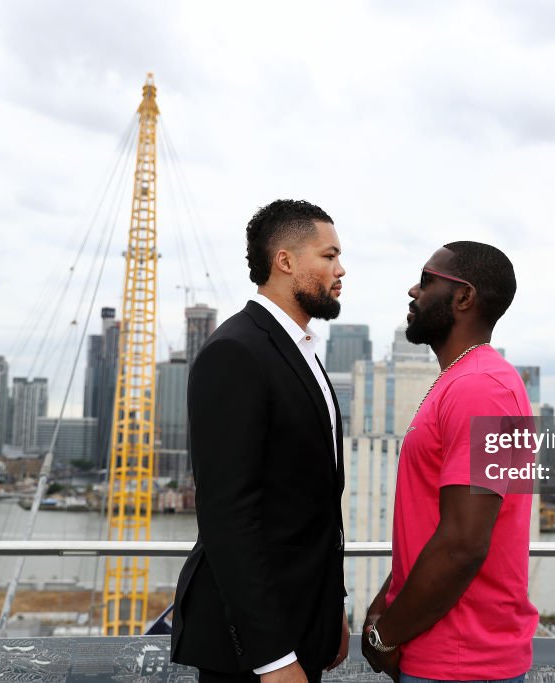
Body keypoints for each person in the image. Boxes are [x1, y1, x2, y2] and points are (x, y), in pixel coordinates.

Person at [171, 200, 349, 683]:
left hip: (305, 621)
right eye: (329, 256)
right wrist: (271, 657)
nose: (341, 270)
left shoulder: (302, 349)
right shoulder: (236, 351)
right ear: (285, 261)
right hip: (251, 650)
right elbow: (228, 516)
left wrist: (334, 607)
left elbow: (313, 502)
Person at [361, 241, 538, 683]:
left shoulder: (482, 388)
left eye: (426, 280)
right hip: (442, 656)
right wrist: (386, 599)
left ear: (464, 297)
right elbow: (433, 524)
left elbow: (463, 544)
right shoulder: (463, 381)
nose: (412, 291)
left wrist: (384, 635)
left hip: (461, 663)